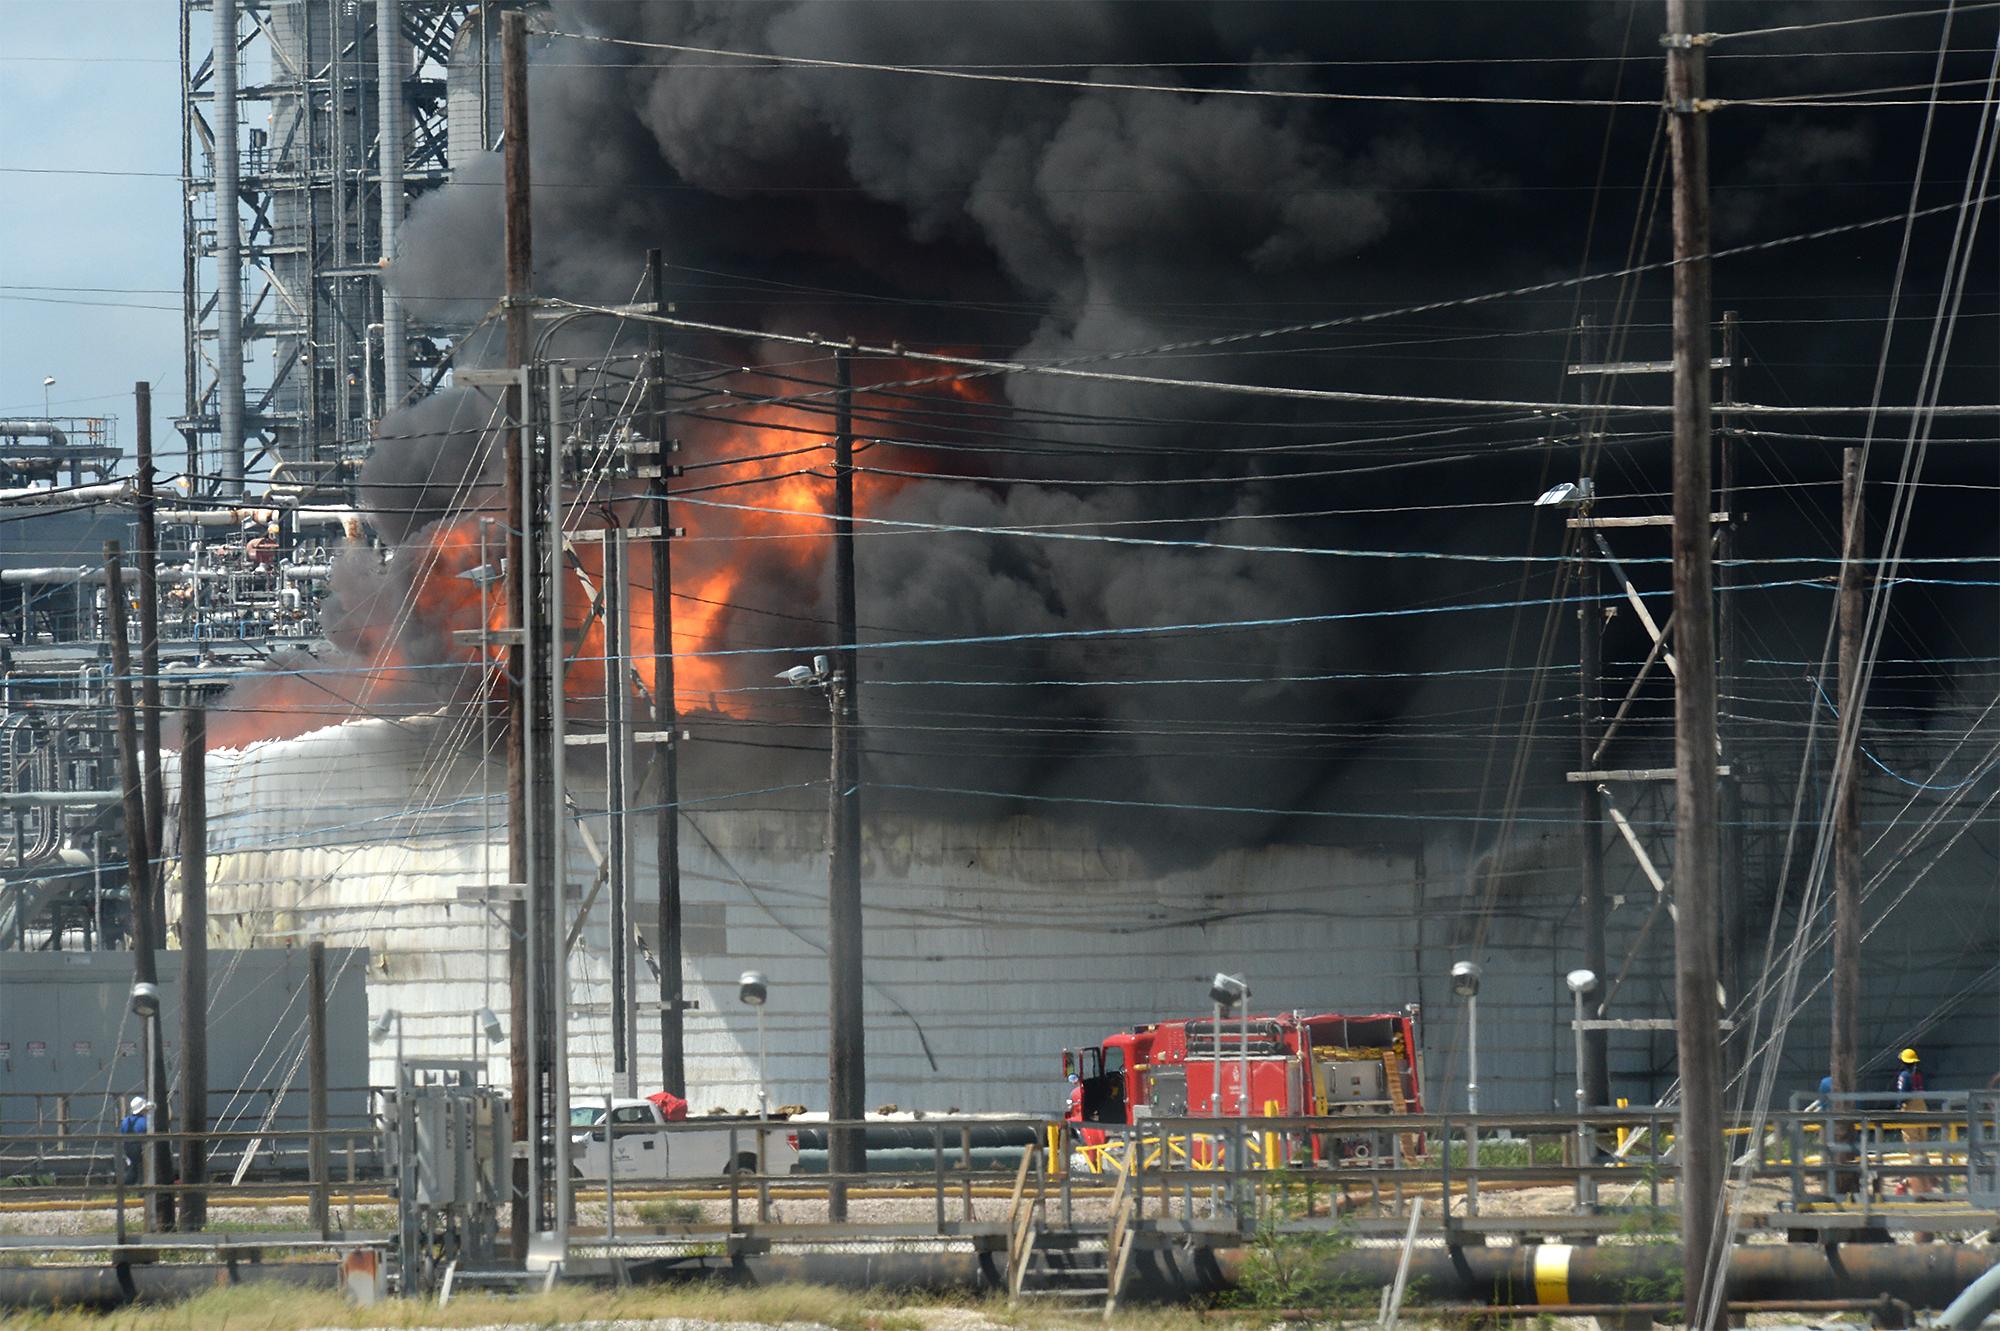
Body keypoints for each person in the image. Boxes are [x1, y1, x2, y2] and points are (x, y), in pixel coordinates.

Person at [1896, 1048, 1932, 1201]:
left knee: (1914, 1150)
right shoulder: (1919, 1075)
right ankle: (1926, 1187)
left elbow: (1902, 1096)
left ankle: (1916, 1189)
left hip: (1910, 1111)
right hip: (1922, 1109)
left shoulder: (1904, 1076)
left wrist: (1898, 1108)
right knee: (1922, 1149)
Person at [118, 1095, 149, 1185]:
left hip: (128, 1149)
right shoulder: (144, 1121)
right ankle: (142, 1191)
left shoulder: (125, 1121)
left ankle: (126, 1186)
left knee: (134, 1167)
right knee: (142, 1170)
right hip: (140, 1149)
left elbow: (122, 1133)